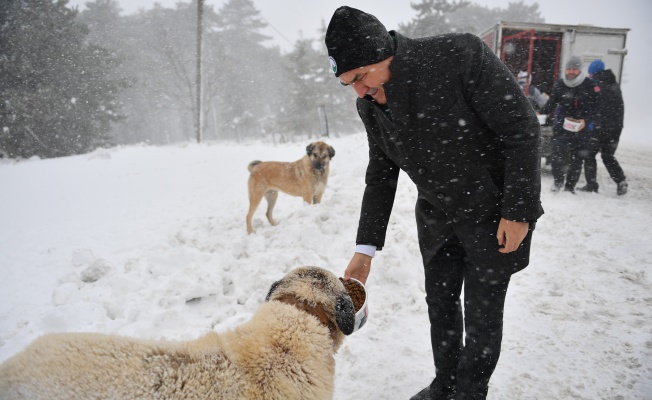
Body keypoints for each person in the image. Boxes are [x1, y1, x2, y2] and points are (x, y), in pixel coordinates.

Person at [325, 7, 544, 400]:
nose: (358, 91)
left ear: (385, 53)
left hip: (493, 214)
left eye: (360, 77)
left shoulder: (458, 56)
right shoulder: (371, 106)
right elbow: (381, 175)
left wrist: (519, 212)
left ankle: (471, 391)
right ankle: (445, 383)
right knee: (440, 302)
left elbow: (522, 128)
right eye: (348, 84)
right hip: (438, 218)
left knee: (482, 314)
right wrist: (365, 249)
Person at [540, 55, 600, 193]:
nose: (571, 72)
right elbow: (551, 103)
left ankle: (570, 186)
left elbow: (596, 108)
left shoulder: (589, 85)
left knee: (577, 159)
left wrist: (585, 121)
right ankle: (557, 182)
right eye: (569, 69)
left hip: (581, 129)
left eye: (574, 69)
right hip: (562, 126)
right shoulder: (560, 84)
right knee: (557, 156)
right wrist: (540, 113)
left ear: (579, 70)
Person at [579, 59, 628, 195]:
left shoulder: (598, 85)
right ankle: (620, 181)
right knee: (607, 155)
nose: (589, 76)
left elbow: (596, 108)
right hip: (616, 128)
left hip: (601, 128)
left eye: (590, 74)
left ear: (594, 73)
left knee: (589, 155)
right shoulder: (613, 84)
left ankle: (591, 185)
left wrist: (591, 124)